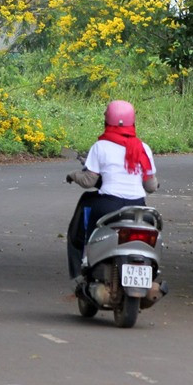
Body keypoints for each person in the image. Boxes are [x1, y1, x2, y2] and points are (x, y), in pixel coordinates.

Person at [65, 99, 158, 279]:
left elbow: (89, 181)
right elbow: (150, 185)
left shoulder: (100, 146)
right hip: (139, 208)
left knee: (83, 232)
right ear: (133, 123)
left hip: (108, 206)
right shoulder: (143, 148)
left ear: (106, 122)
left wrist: (73, 174)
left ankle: (82, 271)